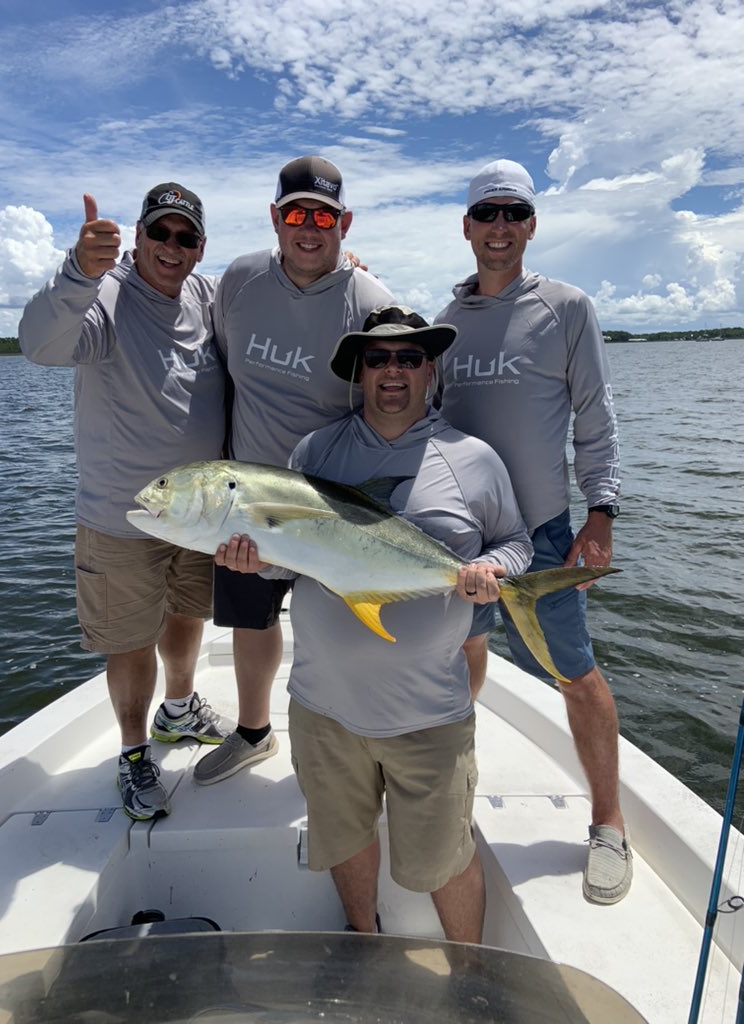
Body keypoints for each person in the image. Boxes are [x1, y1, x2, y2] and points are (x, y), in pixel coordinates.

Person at [214, 304, 533, 940]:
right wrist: (255, 563)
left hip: (429, 715)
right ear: (360, 373)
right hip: (322, 709)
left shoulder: (473, 459)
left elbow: (516, 541)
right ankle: (365, 943)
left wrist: (489, 571)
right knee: (343, 842)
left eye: (409, 357)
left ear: (430, 370)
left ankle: (468, 973)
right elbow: (294, 564)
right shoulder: (316, 450)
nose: (393, 369)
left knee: (447, 860)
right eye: (378, 358)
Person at [435, 158, 631, 905]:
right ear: (466, 227)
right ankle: (453, 780)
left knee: (574, 673)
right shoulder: (445, 321)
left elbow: (597, 417)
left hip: (546, 533)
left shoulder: (566, 307)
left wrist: (602, 510)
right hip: (463, 536)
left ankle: (608, 823)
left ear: (531, 224)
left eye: (513, 213)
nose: (500, 227)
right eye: (486, 213)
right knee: (460, 649)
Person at [19, 183, 233, 821]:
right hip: (122, 516)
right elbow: (39, 345)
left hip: (199, 517)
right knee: (131, 640)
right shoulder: (103, 295)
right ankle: (135, 751)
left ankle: (180, 709)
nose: (171, 247)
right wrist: (78, 271)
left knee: (188, 614)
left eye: (185, 236)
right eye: (160, 233)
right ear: (138, 236)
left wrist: (347, 269)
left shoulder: (207, 295)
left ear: (199, 247)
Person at [194, 156, 395, 786]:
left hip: (329, 502)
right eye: (296, 214)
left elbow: (402, 391)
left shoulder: (369, 298)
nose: (310, 228)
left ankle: (362, 741)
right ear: (275, 219)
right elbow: (223, 362)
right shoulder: (241, 280)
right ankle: (254, 733)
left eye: (325, 216)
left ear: (346, 222)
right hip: (243, 501)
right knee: (250, 621)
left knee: (341, 628)